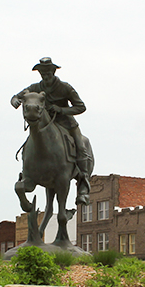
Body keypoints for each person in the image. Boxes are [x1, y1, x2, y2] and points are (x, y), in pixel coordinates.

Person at [11, 57, 93, 205]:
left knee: (81, 147)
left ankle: (83, 185)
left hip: (66, 123)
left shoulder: (65, 87)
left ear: (53, 72)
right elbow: (19, 95)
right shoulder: (35, 87)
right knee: (29, 144)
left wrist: (61, 110)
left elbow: (81, 107)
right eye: (42, 73)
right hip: (44, 124)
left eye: (48, 72)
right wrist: (15, 100)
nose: (45, 76)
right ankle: (27, 173)